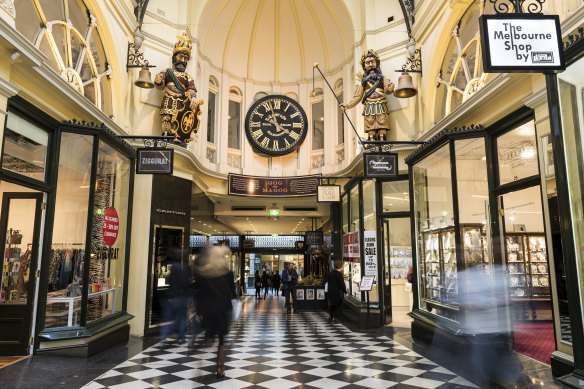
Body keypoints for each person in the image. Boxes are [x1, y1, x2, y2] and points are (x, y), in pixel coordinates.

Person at [195, 245, 236, 378]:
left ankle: (199, 361)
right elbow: (233, 294)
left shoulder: (204, 273)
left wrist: (199, 312)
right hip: (223, 310)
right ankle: (220, 368)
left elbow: (200, 294)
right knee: (222, 339)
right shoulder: (228, 274)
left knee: (209, 338)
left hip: (209, 311)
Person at [154, 33, 202, 145]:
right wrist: (158, 80)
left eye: (185, 58)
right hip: (168, 98)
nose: (183, 60)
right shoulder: (167, 72)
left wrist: (193, 98)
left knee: (178, 118)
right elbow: (160, 85)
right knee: (167, 116)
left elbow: (191, 90)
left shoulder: (188, 77)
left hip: (181, 101)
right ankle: (166, 135)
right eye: (181, 57)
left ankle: (177, 136)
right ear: (175, 57)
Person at [339, 49, 394, 141]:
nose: (370, 65)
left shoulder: (382, 78)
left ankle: (383, 145)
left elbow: (387, 89)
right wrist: (347, 105)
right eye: (367, 63)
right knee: (370, 130)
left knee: (382, 128)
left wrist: (390, 88)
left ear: (376, 63)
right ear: (364, 66)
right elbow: (357, 97)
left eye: (372, 62)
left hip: (381, 105)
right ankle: (372, 145)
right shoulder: (362, 82)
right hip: (369, 107)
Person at [160, 257, 190, 346]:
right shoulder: (182, 276)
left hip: (171, 299)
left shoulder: (171, 276)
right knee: (181, 319)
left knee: (167, 319)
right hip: (180, 299)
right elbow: (185, 286)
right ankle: (180, 338)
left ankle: (163, 340)